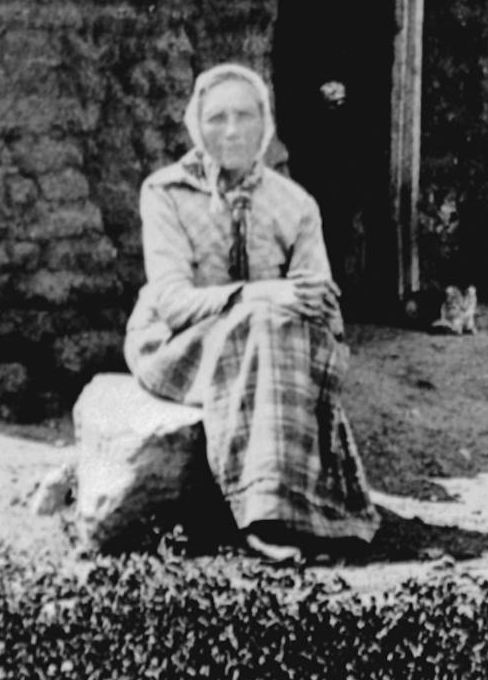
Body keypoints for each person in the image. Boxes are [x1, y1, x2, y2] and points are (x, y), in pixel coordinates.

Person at [124, 62, 380, 564]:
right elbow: (172, 302)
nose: (232, 130)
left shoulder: (294, 203)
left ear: (265, 124)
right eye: (217, 118)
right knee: (265, 322)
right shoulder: (166, 192)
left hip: (273, 345)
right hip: (178, 345)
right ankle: (263, 515)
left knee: (281, 328)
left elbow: (320, 304)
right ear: (196, 125)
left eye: (245, 116)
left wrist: (309, 303)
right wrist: (260, 295)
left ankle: (306, 509)